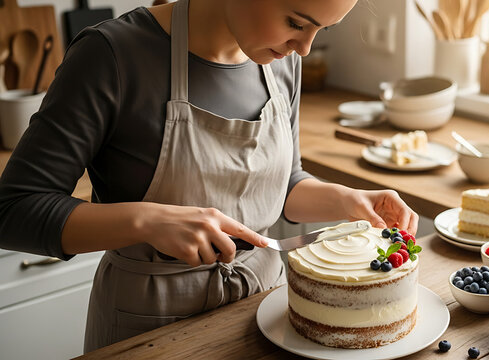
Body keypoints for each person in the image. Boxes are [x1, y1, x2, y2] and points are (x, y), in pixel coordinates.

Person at [0, 0, 418, 352]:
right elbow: (14, 210)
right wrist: (148, 221)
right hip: (150, 328)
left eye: (321, 31)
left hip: (264, 313)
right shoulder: (111, 55)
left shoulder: (280, 61)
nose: (305, 49)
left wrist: (347, 200)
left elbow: (279, 184)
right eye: (296, 22)